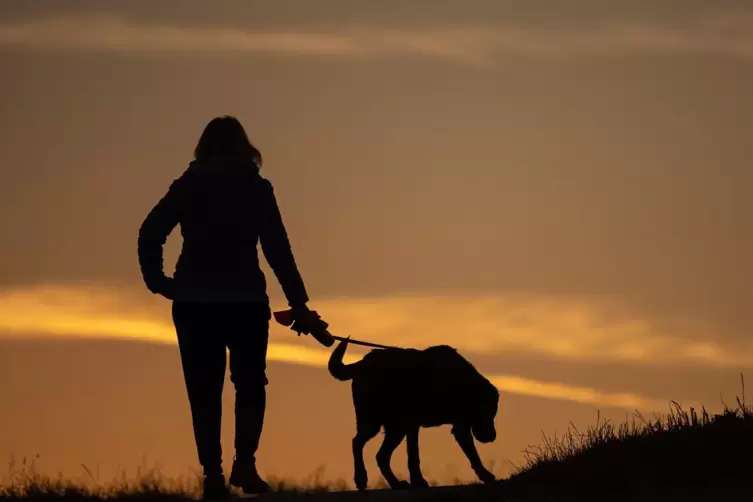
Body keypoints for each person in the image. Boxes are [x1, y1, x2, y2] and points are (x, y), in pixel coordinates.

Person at [137, 116, 328, 499]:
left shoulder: (189, 186)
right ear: (245, 147)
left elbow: (150, 232)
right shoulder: (255, 189)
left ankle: (213, 474)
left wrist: (159, 282)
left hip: (195, 304)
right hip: (244, 302)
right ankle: (245, 463)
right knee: (251, 384)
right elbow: (277, 249)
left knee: (204, 391)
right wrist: (299, 304)